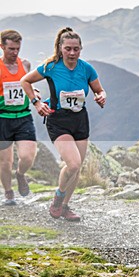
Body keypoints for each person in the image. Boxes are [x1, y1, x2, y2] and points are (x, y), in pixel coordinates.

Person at [21, 27, 106, 222]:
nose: (72, 53)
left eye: (76, 49)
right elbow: (25, 81)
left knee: (76, 168)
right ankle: (58, 198)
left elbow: (99, 90)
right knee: (73, 163)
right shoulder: (51, 67)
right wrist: (36, 103)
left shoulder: (86, 68)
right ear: (60, 48)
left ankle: (65, 207)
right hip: (58, 120)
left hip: (80, 120)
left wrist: (101, 96)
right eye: (68, 48)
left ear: (81, 49)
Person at [0, 30, 38, 206]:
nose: (15, 52)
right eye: (11, 49)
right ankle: (9, 193)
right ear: (2, 46)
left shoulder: (26, 65)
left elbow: (28, 85)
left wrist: (34, 93)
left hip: (23, 116)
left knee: (28, 156)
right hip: (3, 118)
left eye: (18, 48)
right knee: (5, 161)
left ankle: (20, 174)